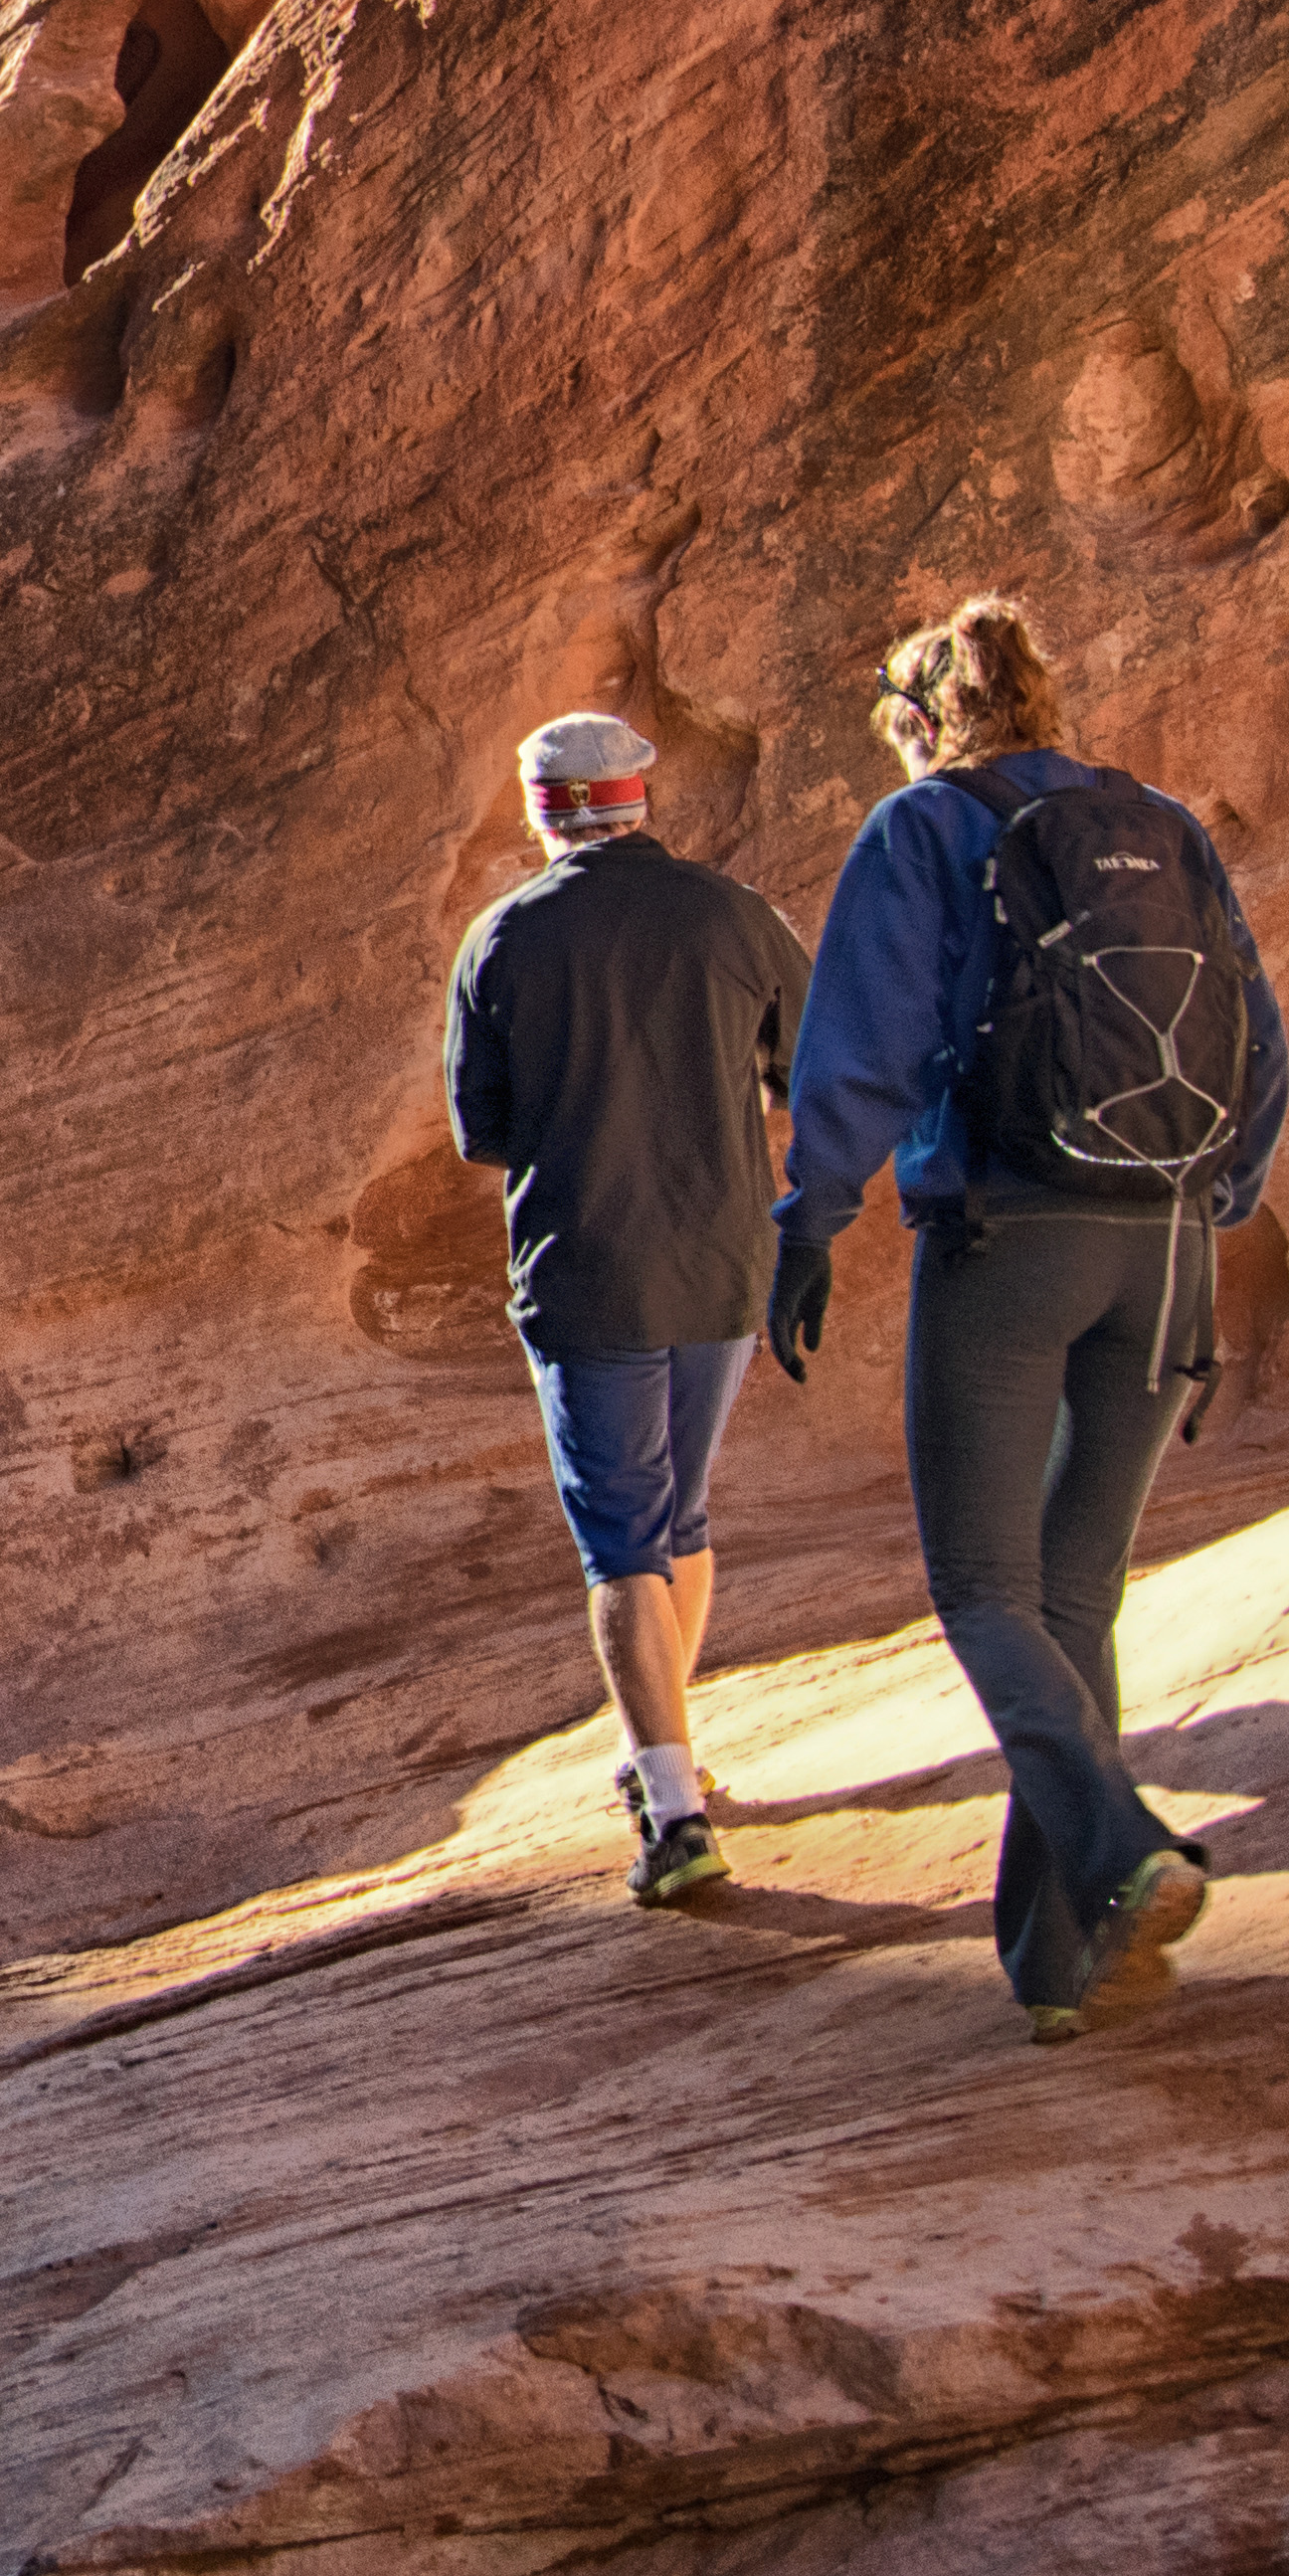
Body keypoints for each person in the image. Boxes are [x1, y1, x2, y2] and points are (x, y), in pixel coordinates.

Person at [773, 596, 1289, 2045]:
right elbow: (1263, 1042)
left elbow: (861, 1052)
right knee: (1076, 1597)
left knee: (985, 1589)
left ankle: (1123, 1852)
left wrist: (811, 1223)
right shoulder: (1164, 824)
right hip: (1170, 1246)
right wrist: (1207, 1209)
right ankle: (1065, 1963)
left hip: (1010, 1236)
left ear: (923, 724)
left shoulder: (929, 826)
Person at [447, 710, 812, 1908]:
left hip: (587, 1269)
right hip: (721, 1261)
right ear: (642, 795)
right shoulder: (735, 915)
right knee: (679, 1514)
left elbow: (485, 1131)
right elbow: (802, 1068)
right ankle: (673, 1753)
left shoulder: (502, 939)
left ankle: (671, 1807)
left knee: (620, 1542)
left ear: (544, 811)